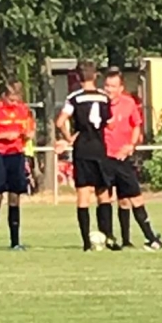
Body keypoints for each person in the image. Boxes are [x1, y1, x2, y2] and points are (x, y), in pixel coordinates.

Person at [56, 60, 120, 252]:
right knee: (103, 194)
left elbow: (60, 122)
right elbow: (111, 124)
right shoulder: (104, 97)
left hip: (82, 149)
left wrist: (69, 138)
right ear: (95, 76)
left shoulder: (74, 98)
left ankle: (86, 242)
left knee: (83, 196)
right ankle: (108, 236)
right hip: (99, 149)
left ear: (78, 77)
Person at [103, 67, 162, 251]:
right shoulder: (100, 104)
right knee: (109, 200)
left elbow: (136, 125)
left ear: (121, 88)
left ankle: (150, 237)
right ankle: (121, 240)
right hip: (104, 159)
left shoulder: (128, 103)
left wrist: (131, 145)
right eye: (107, 85)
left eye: (113, 86)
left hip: (122, 159)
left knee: (134, 198)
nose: (109, 89)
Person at [0, 81, 32, 251]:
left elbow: (29, 129)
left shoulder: (23, 109)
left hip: (17, 155)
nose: (14, 103)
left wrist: (28, 134)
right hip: (0, 156)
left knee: (15, 198)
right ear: (3, 96)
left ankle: (15, 242)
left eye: (17, 99)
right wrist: (4, 135)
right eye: (11, 99)